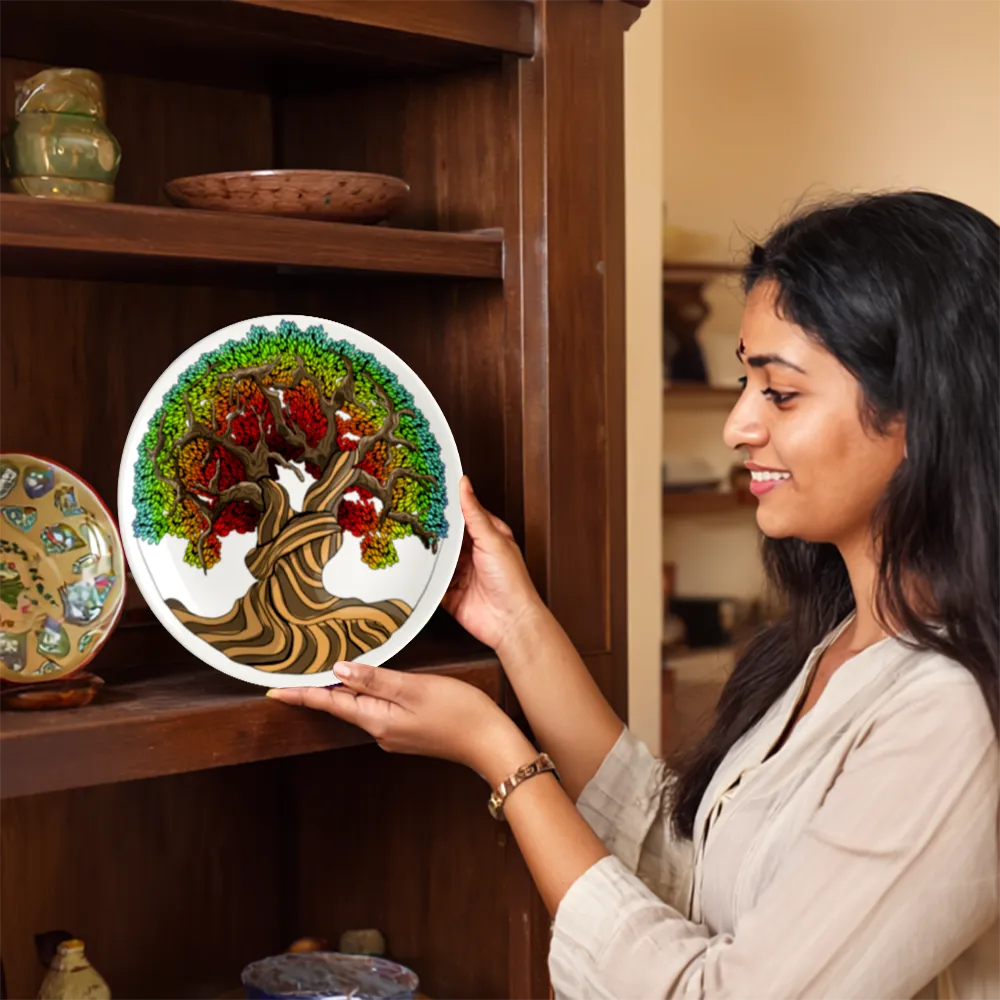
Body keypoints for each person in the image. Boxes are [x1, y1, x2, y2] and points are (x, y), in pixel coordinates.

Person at [267, 191, 1000, 999]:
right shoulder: (841, 645)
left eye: (780, 393)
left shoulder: (953, 711)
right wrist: (515, 624)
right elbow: (687, 871)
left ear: (926, 412)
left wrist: (500, 755)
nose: (737, 426)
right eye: (744, 383)